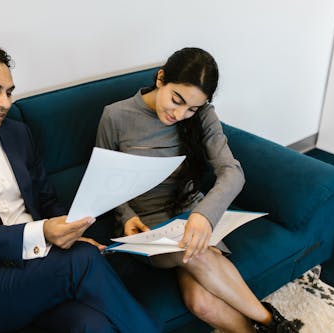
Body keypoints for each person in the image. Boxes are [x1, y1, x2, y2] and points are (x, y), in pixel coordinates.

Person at [0, 45, 161, 333]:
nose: (5, 102)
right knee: (83, 261)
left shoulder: (17, 134)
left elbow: (47, 199)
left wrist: (70, 234)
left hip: (39, 268)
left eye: (9, 92)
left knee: (92, 324)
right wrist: (44, 233)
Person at [96, 47, 303, 333]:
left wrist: (204, 215)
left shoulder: (204, 116)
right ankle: (274, 323)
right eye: (176, 100)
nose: (180, 114)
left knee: (200, 302)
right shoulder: (115, 117)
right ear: (160, 79)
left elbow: (232, 171)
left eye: (191, 108)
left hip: (191, 212)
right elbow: (104, 181)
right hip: (146, 227)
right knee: (195, 250)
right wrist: (126, 216)